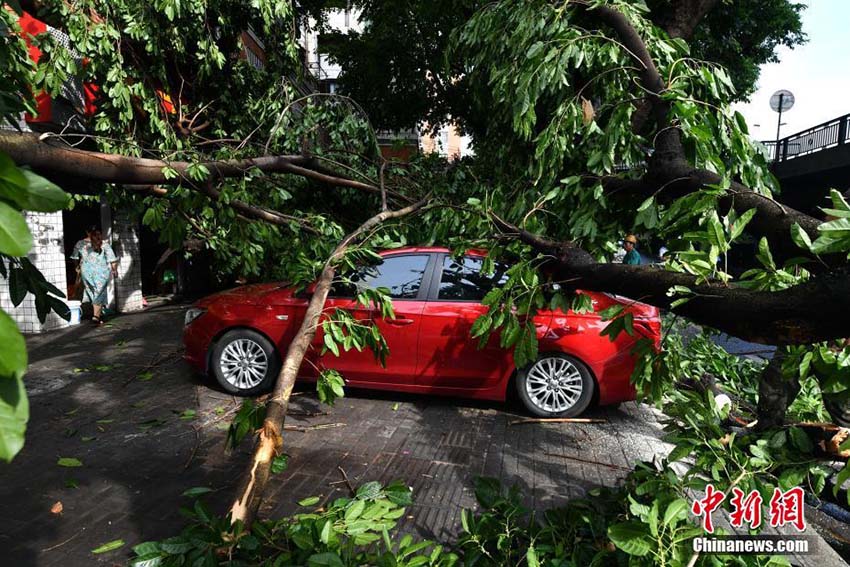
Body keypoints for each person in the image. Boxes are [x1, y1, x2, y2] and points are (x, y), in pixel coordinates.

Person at [72, 229, 118, 325]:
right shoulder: (103, 243)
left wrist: (77, 267)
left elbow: (75, 257)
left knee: (92, 292)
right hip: (101, 273)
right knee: (99, 294)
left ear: (87, 232)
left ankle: (97, 315)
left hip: (86, 272)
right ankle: (96, 316)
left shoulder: (80, 243)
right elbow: (112, 260)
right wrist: (114, 270)